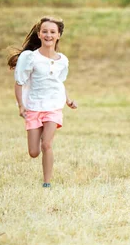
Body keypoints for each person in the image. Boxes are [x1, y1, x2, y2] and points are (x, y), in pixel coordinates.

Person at [7, 16, 78, 188]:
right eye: (45, 31)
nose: (48, 35)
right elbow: (19, 82)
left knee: (47, 144)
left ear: (59, 35)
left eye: (53, 32)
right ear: (39, 34)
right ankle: (37, 147)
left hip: (53, 107)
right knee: (33, 152)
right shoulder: (30, 57)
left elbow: (58, 83)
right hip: (34, 106)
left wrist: (67, 100)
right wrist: (20, 105)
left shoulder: (63, 60)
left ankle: (47, 184)